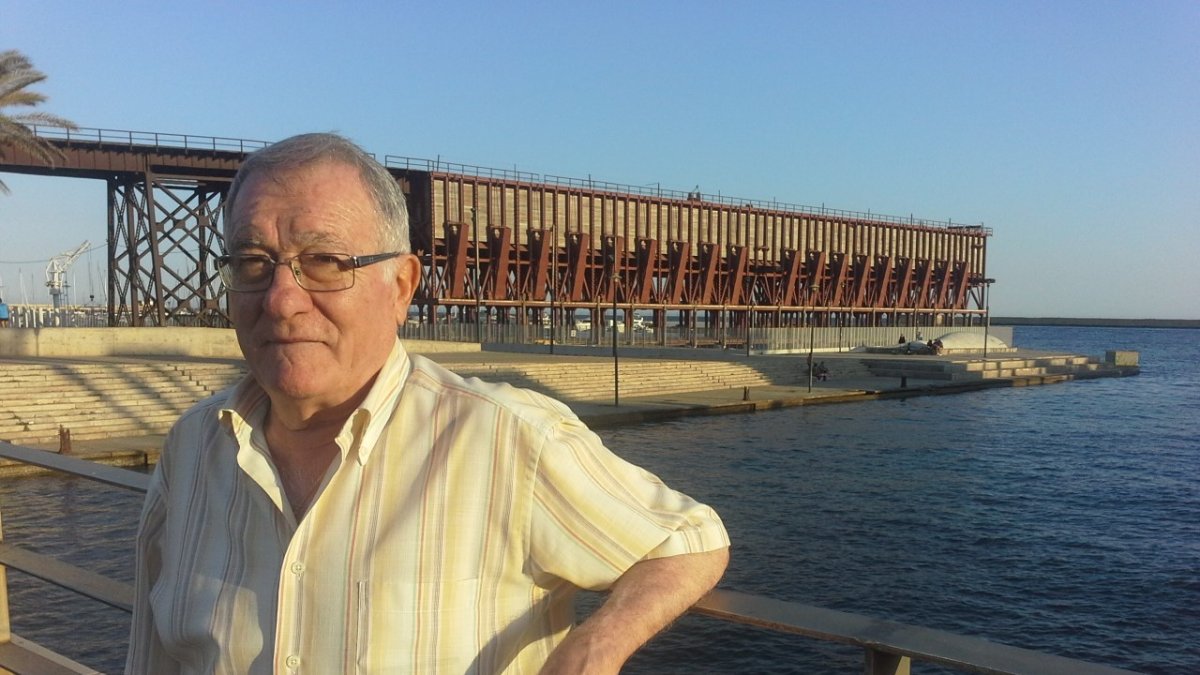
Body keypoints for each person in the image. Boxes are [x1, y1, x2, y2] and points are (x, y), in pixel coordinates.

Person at [126, 133, 730, 675]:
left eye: (325, 262)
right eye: (253, 263)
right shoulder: (192, 449)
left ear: (403, 286)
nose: (282, 299)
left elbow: (689, 539)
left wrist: (599, 645)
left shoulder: (506, 439)